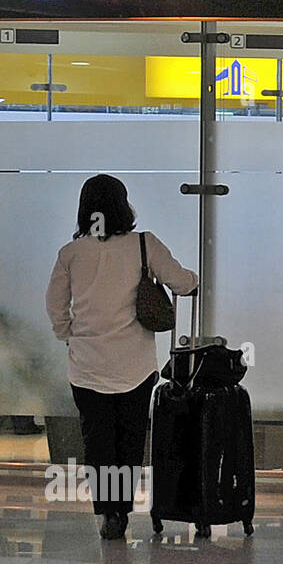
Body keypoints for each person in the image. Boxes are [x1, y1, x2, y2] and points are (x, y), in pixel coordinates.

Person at [46, 174, 198, 540]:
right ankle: (122, 510)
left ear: (85, 210)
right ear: (123, 206)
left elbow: (55, 304)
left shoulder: (71, 253)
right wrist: (192, 279)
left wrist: (68, 334)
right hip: (135, 364)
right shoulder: (145, 245)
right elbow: (183, 283)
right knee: (130, 439)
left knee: (98, 440)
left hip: (87, 366)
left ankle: (108, 512)